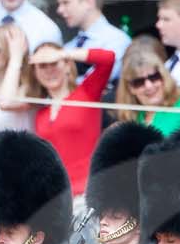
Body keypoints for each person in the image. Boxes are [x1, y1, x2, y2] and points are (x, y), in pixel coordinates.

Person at [28, 40, 118, 192]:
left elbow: (108, 58)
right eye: (42, 65)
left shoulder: (86, 93)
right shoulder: (40, 114)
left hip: (90, 191)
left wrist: (63, 53)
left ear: (68, 65)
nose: (49, 70)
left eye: (54, 63)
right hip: (57, 197)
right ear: (35, 73)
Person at [55, 0, 132, 82]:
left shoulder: (118, 42)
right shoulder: (69, 46)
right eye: (59, 4)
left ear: (88, 1)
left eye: (66, 3)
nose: (60, 10)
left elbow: (96, 82)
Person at [113, 41, 180, 134]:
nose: (149, 86)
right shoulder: (132, 119)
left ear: (164, 76)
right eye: (139, 82)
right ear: (130, 88)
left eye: (154, 77)